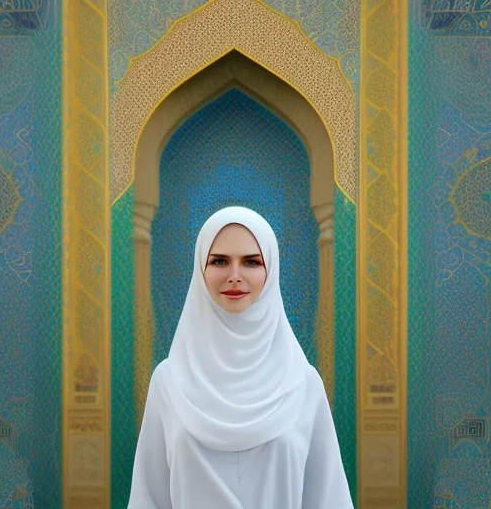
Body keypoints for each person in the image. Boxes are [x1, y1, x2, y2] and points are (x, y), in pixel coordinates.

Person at [128, 207, 353, 509]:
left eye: (251, 262)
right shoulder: (169, 382)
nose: (235, 276)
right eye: (220, 261)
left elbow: (328, 498)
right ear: (200, 269)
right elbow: (148, 499)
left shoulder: (303, 383)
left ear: (270, 271)